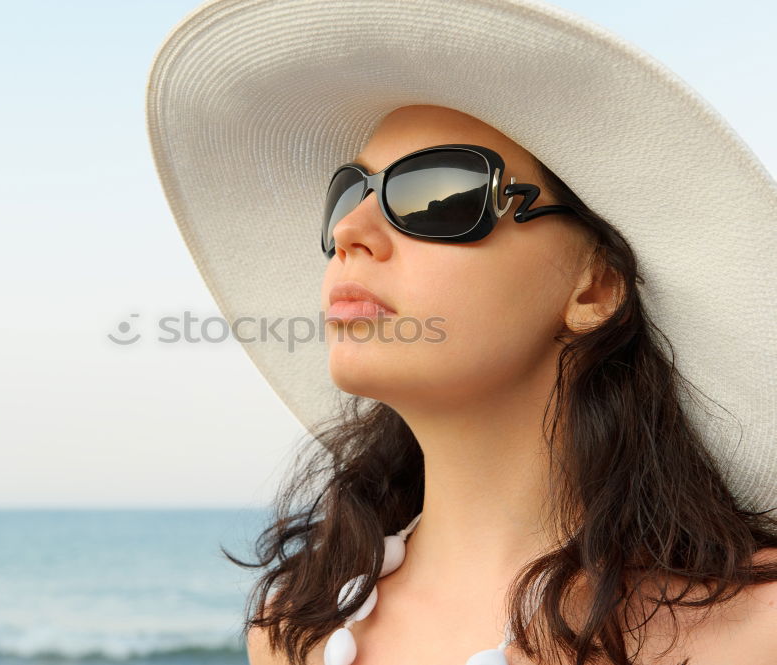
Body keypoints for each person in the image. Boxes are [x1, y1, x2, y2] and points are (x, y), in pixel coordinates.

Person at [144, 1, 777, 664]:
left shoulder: (754, 628)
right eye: (345, 193)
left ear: (596, 288)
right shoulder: (289, 632)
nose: (348, 231)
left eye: (437, 195)